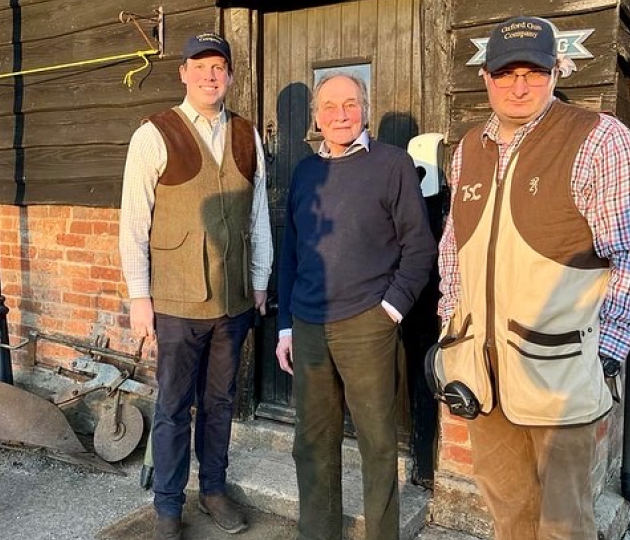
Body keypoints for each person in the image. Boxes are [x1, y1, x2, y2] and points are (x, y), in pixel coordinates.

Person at [436, 16, 630, 540]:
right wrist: (451, 331)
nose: (519, 86)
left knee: (564, 527)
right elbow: (453, 248)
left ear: (555, 70)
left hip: (560, 378)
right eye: (506, 73)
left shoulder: (599, 139)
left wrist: (603, 354)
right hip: (483, 376)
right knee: (508, 516)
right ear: (486, 78)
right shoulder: (469, 147)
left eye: (534, 72)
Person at [119, 32, 272, 540]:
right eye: (200, 65)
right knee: (171, 406)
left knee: (221, 403)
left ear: (229, 75)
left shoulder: (248, 136)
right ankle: (167, 507)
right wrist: (140, 296)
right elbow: (134, 223)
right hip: (178, 300)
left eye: (219, 67)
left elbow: (260, 215)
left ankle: (212, 489)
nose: (210, 75)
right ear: (183, 72)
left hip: (232, 302)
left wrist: (259, 281)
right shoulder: (155, 134)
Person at [275, 72, 437, 540]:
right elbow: (291, 252)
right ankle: (318, 533)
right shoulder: (306, 171)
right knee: (313, 442)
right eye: (329, 107)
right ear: (316, 118)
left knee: (378, 443)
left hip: (368, 322)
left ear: (365, 109)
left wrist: (390, 309)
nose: (340, 114)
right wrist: (285, 326)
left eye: (350, 104)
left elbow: (420, 246)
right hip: (307, 326)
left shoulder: (393, 164)